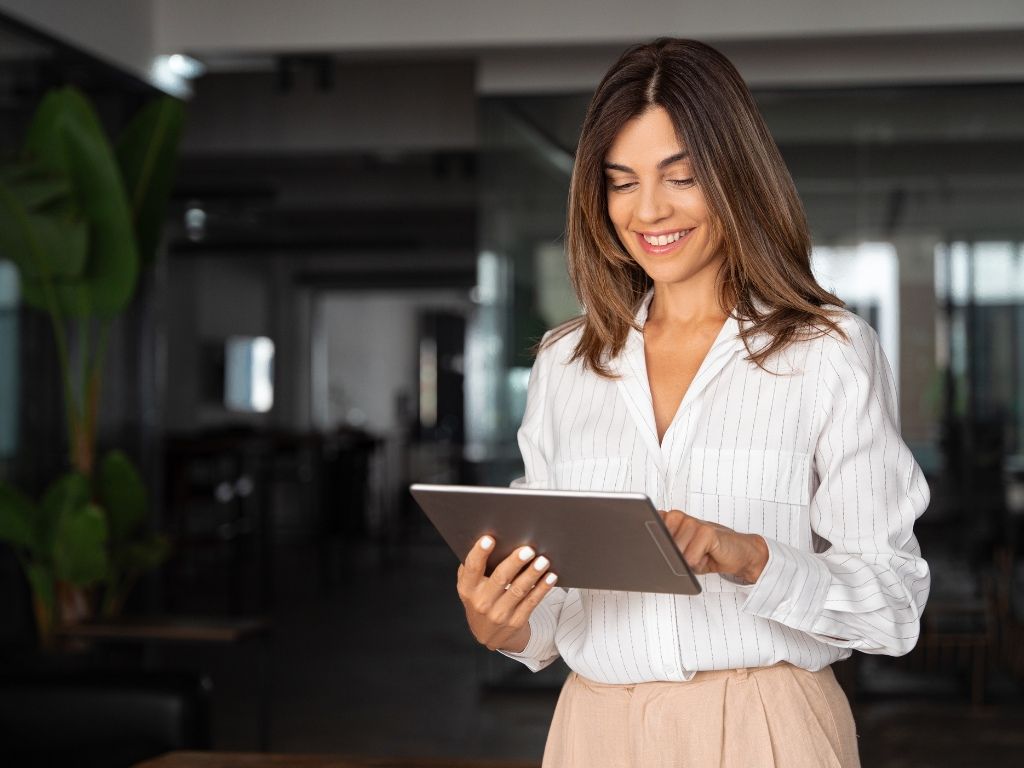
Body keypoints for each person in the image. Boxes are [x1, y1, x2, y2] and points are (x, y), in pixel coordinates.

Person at [455, 38, 930, 767]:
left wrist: (749, 558)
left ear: (735, 177)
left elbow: (893, 606)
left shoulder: (828, 350)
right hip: (594, 732)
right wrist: (503, 621)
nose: (648, 211)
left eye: (679, 178)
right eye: (621, 182)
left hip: (766, 726)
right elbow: (553, 612)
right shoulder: (565, 361)